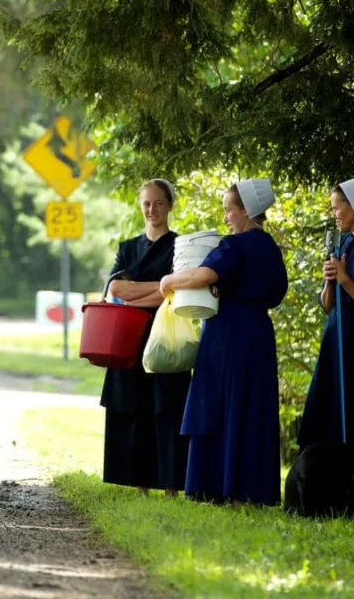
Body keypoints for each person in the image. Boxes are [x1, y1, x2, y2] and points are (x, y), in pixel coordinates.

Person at [158, 178, 288, 507]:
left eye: (230, 209)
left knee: (220, 404)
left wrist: (169, 281)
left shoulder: (236, 244)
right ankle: (250, 490)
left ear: (247, 211)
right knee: (252, 408)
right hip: (258, 332)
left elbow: (204, 275)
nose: (227, 216)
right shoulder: (271, 248)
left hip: (227, 332)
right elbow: (276, 294)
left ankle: (217, 486)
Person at [101, 179, 192, 498]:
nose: (152, 210)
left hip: (166, 335)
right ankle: (140, 484)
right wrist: (158, 288)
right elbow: (116, 289)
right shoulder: (128, 247)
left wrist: (140, 292)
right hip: (129, 337)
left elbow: (177, 292)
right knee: (135, 407)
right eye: (146, 204)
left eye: (158, 203)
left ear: (169, 205)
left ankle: (170, 485)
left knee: (166, 408)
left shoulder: (180, 246)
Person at [298, 176, 354, 450]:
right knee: (327, 401)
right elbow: (327, 304)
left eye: (337, 207)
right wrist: (330, 281)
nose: (334, 214)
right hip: (335, 334)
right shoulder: (342, 243)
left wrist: (344, 279)